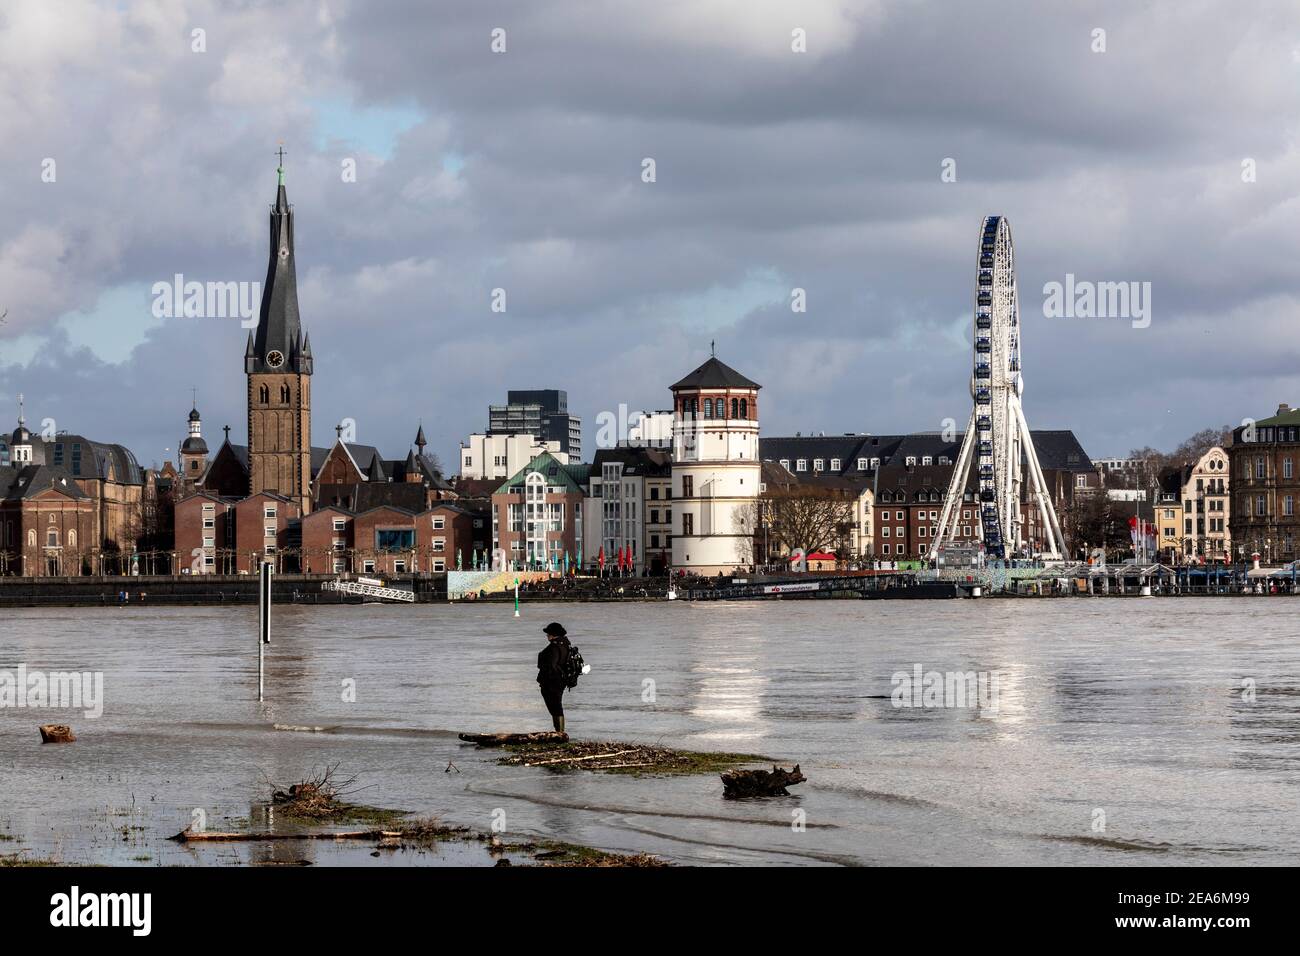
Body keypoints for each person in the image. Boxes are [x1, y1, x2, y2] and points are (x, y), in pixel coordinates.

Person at [537, 622, 572, 733]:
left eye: (548, 633)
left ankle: (560, 732)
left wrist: (546, 680)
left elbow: (552, 664)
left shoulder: (554, 647)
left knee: (555, 706)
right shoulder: (566, 644)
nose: (547, 635)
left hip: (552, 681)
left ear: (553, 634)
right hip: (560, 681)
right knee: (556, 705)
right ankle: (559, 731)